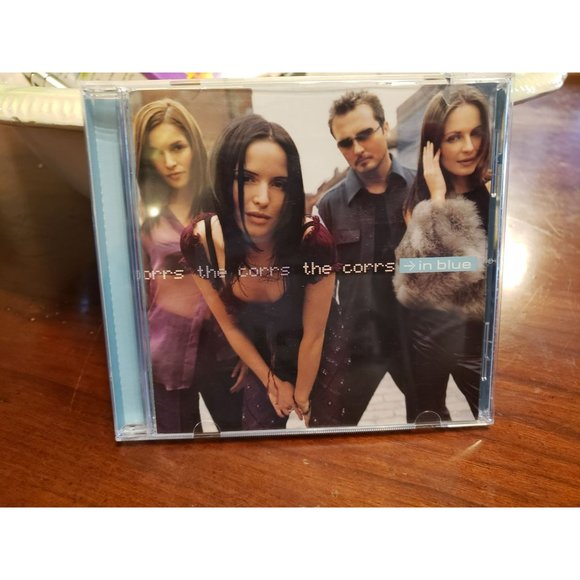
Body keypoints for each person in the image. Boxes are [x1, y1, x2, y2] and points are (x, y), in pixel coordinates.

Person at [180, 114, 348, 430]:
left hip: (319, 346)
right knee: (258, 438)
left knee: (327, 436)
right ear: (223, 177)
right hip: (261, 353)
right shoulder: (199, 243)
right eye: (246, 178)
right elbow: (230, 327)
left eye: (279, 184)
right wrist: (272, 383)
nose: (262, 198)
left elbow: (314, 336)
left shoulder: (312, 241)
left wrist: (301, 396)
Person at [134, 98, 242, 433]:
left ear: (193, 144)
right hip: (167, 354)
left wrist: (251, 349)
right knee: (177, 450)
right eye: (157, 153)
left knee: (243, 442)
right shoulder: (143, 219)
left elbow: (248, 278)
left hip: (226, 351)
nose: (169, 162)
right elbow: (141, 292)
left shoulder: (226, 207)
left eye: (177, 147)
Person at [316, 90, 416, 424]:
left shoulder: (422, 190)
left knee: (430, 422)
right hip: (357, 341)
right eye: (346, 143)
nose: (357, 149)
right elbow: (320, 285)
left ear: (385, 128)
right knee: (330, 426)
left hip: (414, 337)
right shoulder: (329, 206)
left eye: (364, 135)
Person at [393, 85, 491, 421]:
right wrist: (437, 200)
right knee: (427, 425)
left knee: (493, 419)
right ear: (433, 146)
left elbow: (470, 269)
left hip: (477, 341)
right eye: (454, 137)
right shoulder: (418, 204)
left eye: (476, 133)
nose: (469, 146)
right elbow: (413, 281)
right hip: (428, 336)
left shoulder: (494, 194)